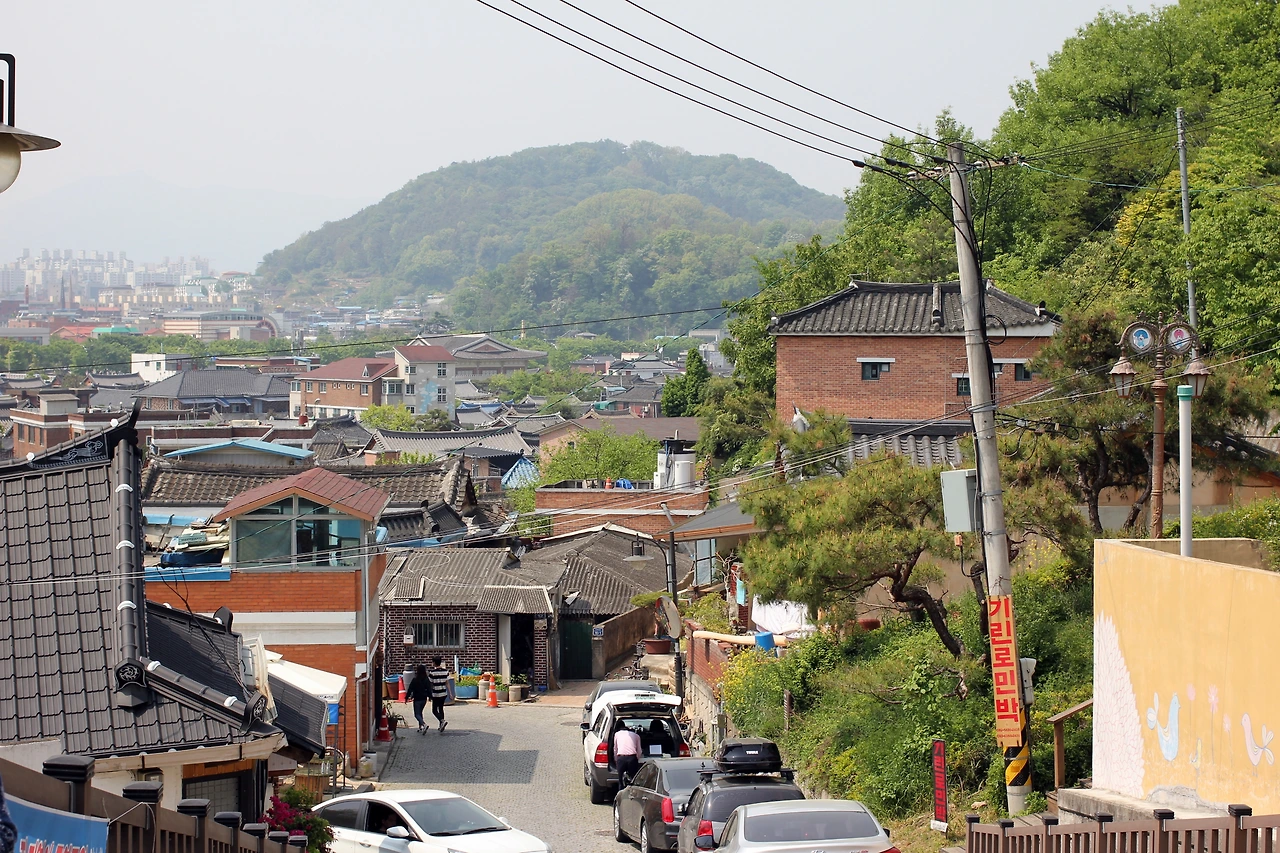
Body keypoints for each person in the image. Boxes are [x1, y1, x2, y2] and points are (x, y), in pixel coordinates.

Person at [613, 724, 642, 788]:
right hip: (632, 758)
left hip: (621, 758)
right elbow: (639, 751)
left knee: (620, 780)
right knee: (633, 779)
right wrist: (636, 759)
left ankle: (621, 790)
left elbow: (615, 748)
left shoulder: (617, 734)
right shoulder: (636, 736)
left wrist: (616, 759)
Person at [427, 656, 450, 732]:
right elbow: (447, 683)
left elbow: (430, 684)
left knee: (434, 710)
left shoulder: (432, 673)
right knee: (441, 708)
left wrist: (429, 694)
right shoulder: (446, 671)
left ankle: (442, 721)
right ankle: (441, 725)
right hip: (443, 693)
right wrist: (450, 693)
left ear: (434, 662)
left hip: (436, 693)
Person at [405, 665, 431, 734]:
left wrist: (406, 697)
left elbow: (410, 689)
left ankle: (423, 724)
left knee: (417, 714)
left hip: (417, 699)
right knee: (420, 712)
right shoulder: (426, 679)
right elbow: (429, 688)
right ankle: (420, 727)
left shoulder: (415, 680)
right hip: (424, 699)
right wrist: (430, 697)